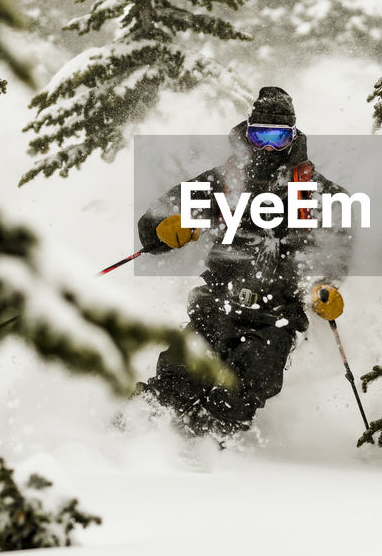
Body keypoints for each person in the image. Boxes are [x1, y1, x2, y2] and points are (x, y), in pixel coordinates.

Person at [137, 86, 352, 437]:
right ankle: (139, 430)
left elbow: (338, 244)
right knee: (182, 371)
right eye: (260, 134)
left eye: (277, 137)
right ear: (247, 132)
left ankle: (212, 448)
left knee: (247, 380)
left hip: (277, 312)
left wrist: (326, 285)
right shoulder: (222, 181)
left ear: (292, 137)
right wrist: (163, 229)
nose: (268, 146)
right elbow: (157, 218)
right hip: (218, 299)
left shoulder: (314, 190)